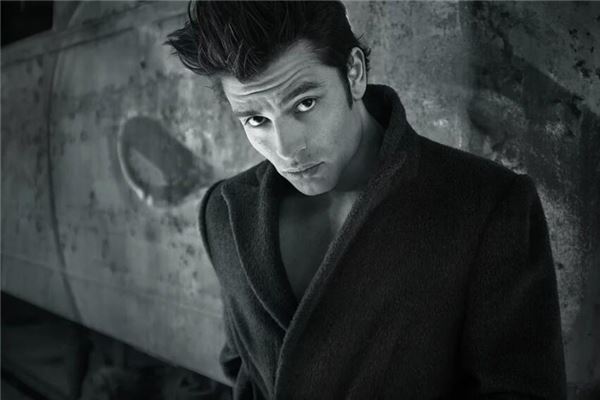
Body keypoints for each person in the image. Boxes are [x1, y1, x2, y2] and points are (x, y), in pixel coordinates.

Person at [166, 1, 567, 399]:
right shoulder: (225, 212)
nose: (286, 149)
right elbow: (245, 370)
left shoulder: (485, 203)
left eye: (305, 103)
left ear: (354, 74)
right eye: (257, 120)